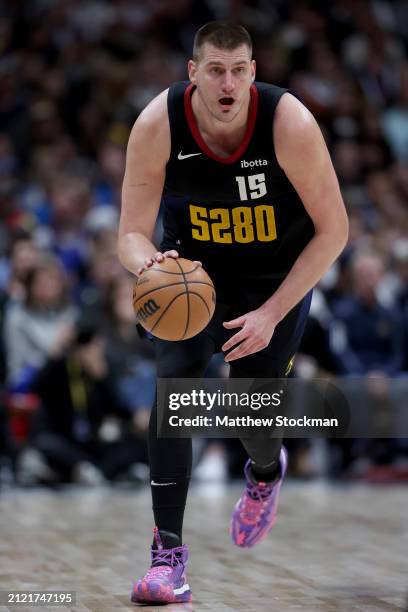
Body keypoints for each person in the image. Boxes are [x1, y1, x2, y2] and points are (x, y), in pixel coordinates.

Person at [119, 22, 348, 605]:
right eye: (215, 69)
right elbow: (129, 235)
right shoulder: (157, 123)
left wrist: (272, 313)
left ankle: (265, 474)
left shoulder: (287, 122)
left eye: (239, 70)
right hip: (193, 279)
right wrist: (150, 267)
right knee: (173, 393)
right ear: (192, 72)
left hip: (275, 281)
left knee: (253, 420)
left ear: (253, 72)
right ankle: (167, 556)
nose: (228, 82)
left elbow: (335, 230)